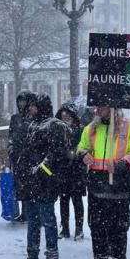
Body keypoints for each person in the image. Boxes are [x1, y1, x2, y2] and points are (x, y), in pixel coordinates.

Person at [77, 106, 130, 259]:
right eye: (97, 106)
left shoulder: (129, 128)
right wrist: (83, 154)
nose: (98, 110)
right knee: (96, 226)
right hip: (96, 184)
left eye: (102, 106)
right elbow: (81, 146)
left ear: (112, 108)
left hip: (119, 186)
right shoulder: (90, 128)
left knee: (119, 228)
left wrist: (122, 164)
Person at [18, 94, 68, 259]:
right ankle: (32, 255)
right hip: (31, 182)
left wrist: (42, 169)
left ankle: (52, 257)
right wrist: (24, 172)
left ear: (41, 107)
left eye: (33, 106)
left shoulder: (54, 125)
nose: (29, 109)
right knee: (33, 220)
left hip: (46, 182)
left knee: (48, 220)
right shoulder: (32, 124)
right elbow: (26, 152)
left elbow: (57, 154)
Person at [56, 101, 86, 240]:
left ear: (73, 115)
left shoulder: (81, 129)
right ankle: (65, 228)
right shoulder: (57, 129)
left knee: (77, 201)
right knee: (63, 201)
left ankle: (79, 229)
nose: (65, 116)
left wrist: (75, 153)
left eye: (68, 114)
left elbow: (85, 147)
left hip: (77, 170)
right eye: (63, 114)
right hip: (62, 171)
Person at [8, 90, 35, 223]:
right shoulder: (15, 118)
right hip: (17, 157)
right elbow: (11, 135)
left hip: (30, 157)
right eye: (19, 101)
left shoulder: (34, 117)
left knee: (30, 185)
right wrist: (11, 148)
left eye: (24, 101)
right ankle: (24, 213)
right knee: (20, 185)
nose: (21, 104)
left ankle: (30, 212)